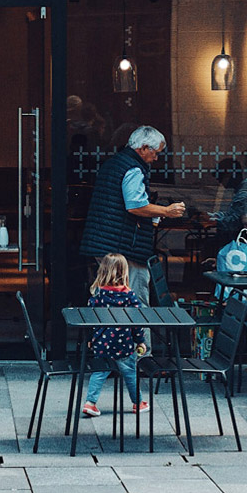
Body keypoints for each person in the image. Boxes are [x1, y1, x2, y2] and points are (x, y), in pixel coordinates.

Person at [81, 125, 184, 305]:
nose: (156, 158)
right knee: (136, 301)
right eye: (156, 152)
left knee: (109, 299)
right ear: (144, 148)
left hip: (105, 243)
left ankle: (110, 332)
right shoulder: (134, 169)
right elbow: (135, 206)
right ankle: (138, 334)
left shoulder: (114, 163)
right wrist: (166, 211)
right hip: (124, 247)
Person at [79, 253, 149, 418]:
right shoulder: (129, 296)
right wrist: (140, 341)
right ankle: (137, 403)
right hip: (123, 344)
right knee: (130, 373)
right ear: (124, 272)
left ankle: (90, 403)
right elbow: (136, 323)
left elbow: (90, 320)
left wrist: (90, 339)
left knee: (99, 372)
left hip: (102, 343)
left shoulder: (98, 295)